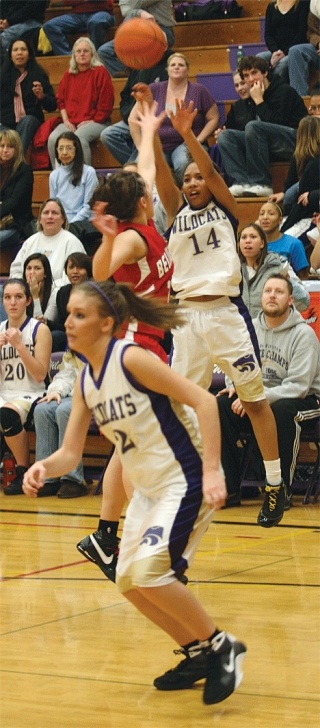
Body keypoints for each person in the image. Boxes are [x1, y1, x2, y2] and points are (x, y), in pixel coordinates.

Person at [23, 277, 247, 705]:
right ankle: (198, 652)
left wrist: (215, 470)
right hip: (148, 489)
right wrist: (42, 466)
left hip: (185, 478)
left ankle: (222, 645)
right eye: (68, 314)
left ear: (107, 323)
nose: (68, 322)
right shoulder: (87, 381)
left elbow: (203, 400)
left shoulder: (132, 359)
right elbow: (70, 453)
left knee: (151, 573)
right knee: (128, 580)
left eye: (80, 315)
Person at [140, 97, 287, 529]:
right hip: (185, 321)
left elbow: (210, 173)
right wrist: (151, 128)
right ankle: (181, 484)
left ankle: (275, 485)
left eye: (196, 178)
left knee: (255, 401)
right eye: (186, 180)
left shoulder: (224, 207)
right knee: (180, 407)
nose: (191, 183)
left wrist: (187, 134)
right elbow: (164, 178)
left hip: (226, 315)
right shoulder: (175, 213)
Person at [217, 274, 320, 508]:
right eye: (267, 291)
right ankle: (230, 490)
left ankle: (280, 490)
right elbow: (231, 367)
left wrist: (255, 398)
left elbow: (299, 387)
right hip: (259, 400)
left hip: (304, 402)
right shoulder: (249, 329)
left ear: (291, 300)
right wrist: (236, 388)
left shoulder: (304, 334)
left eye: (279, 292)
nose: (272, 295)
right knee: (221, 406)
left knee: (283, 411)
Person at [217, 55, 308, 197]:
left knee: (254, 126)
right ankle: (242, 182)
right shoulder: (251, 97)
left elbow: (277, 124)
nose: (250, 79)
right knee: (226, 136)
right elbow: (248, 132)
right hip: (267, 144)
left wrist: (259, 101)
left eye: (254, 73)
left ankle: (262, 183)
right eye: (246, 76)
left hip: (296, 141)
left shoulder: (284, 91)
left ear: (265, 73)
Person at [128, 52, 219, 184]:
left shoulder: (199, 90)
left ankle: (183, 197)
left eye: (181, 65)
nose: (176, 67)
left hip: (185, 143)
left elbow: (214, 118)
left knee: (183, 162)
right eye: (173, 65)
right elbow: (132, 120)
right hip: (159, 144)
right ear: (167, 69)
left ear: (187, 70)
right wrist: (142, 147)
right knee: (139, 167)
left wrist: (197, 141)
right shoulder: (154, 88)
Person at [0, 278, 51, 495]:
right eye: (7, 297)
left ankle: (22, 469)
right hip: (4, 392)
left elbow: (40, 375)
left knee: (7, 415)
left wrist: (20, 346)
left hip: (30, 393)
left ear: (28, 301)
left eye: (18, 297)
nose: (13, 302)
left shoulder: (39, 330)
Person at [47, 37, 114, 168]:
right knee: (53, 138)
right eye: (78, 51)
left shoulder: (100, 72)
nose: (82, 54)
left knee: (78, 137)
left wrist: (93, 121)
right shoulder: (68, 74)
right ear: (74, 55)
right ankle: (59, 177)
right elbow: (60, 100)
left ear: (92, 54)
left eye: (85, 51)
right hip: (71, 121)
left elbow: (106, 104)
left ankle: (85, 178)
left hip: (97, 122)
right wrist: (66, 120)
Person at [100, 50, 172, 165]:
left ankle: (137, 167)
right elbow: (125, 94)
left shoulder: (167, 69)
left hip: (153, 119)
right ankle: (133, 165)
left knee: (143, 135)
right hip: (133, 117)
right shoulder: (139, 67)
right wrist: (126, 112)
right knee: (107, 135)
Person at [33, 349, 87, 499]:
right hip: (73, 395)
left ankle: (73, 479)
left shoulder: (103, 344)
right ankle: (48, 477)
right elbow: (66, 375)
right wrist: (57, 391)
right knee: (42, 409)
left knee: (65, 410)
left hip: (94, 398)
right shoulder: (76, 347)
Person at [238, 223, 310, 317]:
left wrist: (289, 282)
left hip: (271, 329)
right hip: (240, 330)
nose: (248, 241)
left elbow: (304, 302)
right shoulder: (233, 269)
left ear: (262, 243)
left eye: (253, 237)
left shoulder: (279, 265)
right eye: (243, 237)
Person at [10, 198, 86, 287]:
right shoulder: (30, 241)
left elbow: (73, 277)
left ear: (63, 219)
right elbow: (16, 270)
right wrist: (24, 287)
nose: (50, 216)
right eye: (46, 213)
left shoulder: (72, 242)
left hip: (58, 295)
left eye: (54, 213)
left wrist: (44, 289)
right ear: (40, 220)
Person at [0, 37, 57, 152]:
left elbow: (52, 106)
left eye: (23, 49)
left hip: (30, 122)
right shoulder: (3, 77)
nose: (19, 53)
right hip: (6, 123)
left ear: (29, 54)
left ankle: (16, 158)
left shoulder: (39, 74)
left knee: (28, 120)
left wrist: (42, 96)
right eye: (15, 50)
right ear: (10, 55)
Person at [49, 131, 101, 254]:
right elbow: (53, 205)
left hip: (83, 223)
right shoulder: (54, 175)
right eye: (60, 148)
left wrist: (68, 225)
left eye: (69, 148)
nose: (64, 152)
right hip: (61, 221)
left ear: (76, 150)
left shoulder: (89, 172)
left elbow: (89, 207)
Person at [98, 0, 175, 77]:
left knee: (140, 42)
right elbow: (125, 11)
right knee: (104, 51)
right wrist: (141, 13)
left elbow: (137, 3)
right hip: (135, 31)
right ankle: (133, 78)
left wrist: (135, 12)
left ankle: (141, 77)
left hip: (161, 28)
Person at [269, 114, 320, 218]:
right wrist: (284, 192)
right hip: (304, 190)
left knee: (290, 194)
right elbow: (292, 175)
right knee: (289, 194)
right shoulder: (299, 154)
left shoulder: (314, 162)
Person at [256, 0, 309, 85]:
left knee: (282, 64)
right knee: (258, 59)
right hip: (276, 51)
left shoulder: (303, 3)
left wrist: (284, 53)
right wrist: (275, 51)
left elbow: (302, 33)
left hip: (294, 50)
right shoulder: (271, 6)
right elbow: (268, 34)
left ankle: (276, 92)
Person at [0, 129, 33, 249]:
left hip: (16, 225)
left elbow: (14, 202)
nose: (5, 150)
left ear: (17, 149)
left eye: (10, 147)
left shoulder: (24, 171)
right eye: (2, 146)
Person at [258, 201, 309, 277]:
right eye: (262, 214)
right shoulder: (254, 244)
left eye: (271, 213)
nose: (265, 217)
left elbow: (303, 276)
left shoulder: (294, 244)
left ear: (280, 220)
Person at [43, 0, 115, 56]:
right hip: (77, 16)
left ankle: (94, 56)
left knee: (96, 22)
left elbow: (108, 2)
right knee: (50, 26)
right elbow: (66, 1)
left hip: (101, 13)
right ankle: (70, 58)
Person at [55, 252, 93, 350]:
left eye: (80, 268)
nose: (75, 271)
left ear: (88, 271)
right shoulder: (62, 292)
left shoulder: (94, 292)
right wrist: (47, 323)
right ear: (66, 271)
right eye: (71, 267)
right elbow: (62, 324)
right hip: (69, 334)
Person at [287, 0, 320, 96]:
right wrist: (318, 43)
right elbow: (311, 32)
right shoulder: (315, 3)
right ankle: (299, 99)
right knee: (295, 51)